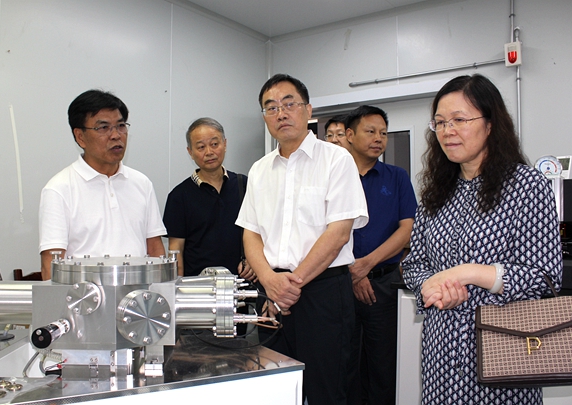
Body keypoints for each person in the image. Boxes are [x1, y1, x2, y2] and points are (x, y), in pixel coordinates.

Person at [401, 74, 562, 405]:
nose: (448, 131)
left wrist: (469, 273)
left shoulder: (526, 186)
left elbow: (545, 278)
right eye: (440, 122)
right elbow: (414, 264)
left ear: (490, 125)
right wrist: (431, 286)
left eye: (459, 120)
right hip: (441, 350)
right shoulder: (437, 192)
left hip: (506, 348)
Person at [236, 73, 368, 405]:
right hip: (270, 295)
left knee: (327, 391)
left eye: (289, 104)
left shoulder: (337, 159)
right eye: (271, 107)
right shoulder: (259, 170)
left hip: (323, 292)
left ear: (308, 110)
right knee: (274, 391)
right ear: (264, 117)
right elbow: (251, 232)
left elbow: (338, 233)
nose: (280, 113)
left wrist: (290, 285)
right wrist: (270, 282)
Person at [39, 90, 166, 280]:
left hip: (138, 295)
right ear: (80, 137)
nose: (116, 135)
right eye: (103, 127)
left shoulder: (141, 183)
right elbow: (51, 265)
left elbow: (155, 250)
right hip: (85, 295)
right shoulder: (59, 189)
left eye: (121, 126)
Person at [345, 105, 417, 405]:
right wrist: (353, 271)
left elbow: (407, 230)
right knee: (345, 363)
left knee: (384, 364)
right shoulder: (334, 176)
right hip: (340, 284)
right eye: (371, 131)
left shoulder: (396, 177)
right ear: (350, 135)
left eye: (383, 133)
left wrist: (367, 265)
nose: (378, 138)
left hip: (384, 286)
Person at [162, 117, 255, 279]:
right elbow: (176, 251)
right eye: (201, 147)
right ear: (190, 152)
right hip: (198, 286)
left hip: (242, 284)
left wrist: (254, 262)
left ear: (225, 144)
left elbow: (259, 234)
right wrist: (177, 287)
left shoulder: (245, 185)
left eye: (214, 144)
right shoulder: (179, 196)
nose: (209, 152)